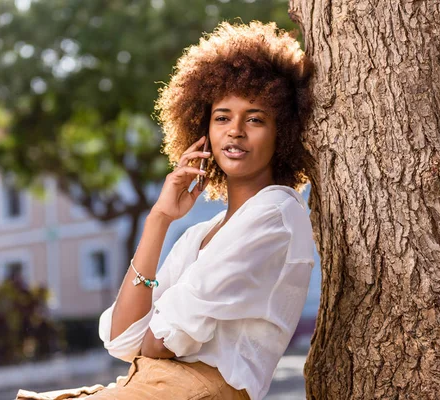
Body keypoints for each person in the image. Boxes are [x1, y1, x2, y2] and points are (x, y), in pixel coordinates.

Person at [17, 19, 315, 400]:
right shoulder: (200, 234)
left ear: (283, 132)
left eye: (255, 119)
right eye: (222, 117)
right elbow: (125, 339)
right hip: (149, 386)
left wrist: (154, 333)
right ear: (203, 131)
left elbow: (159, 343)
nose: (235, 130)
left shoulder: (276, 213)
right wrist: (158, 219)